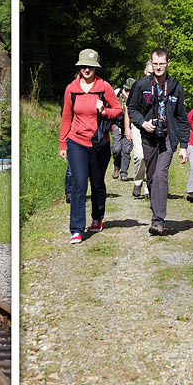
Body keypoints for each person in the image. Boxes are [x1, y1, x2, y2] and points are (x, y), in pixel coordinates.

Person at [58, 49, 123, 243]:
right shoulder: (72, 89)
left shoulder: (104, 87)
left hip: (99, 143)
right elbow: (66, 117)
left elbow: (118, 110)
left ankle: (97, 217)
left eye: (90, 66)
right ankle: (77, 229)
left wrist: (104, 111)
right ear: (79, 67)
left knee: (97, 183)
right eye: (83, 66)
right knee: (78, 184)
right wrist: (63, 143)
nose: (87, 69)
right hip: (76, 142)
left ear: (96, 68)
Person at [127, 49, 189, 235]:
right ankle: (156, 212)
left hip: (168, 139)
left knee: (161, 175)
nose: (159, 67)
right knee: (153, 178)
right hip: (148, 137)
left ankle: (158, 221)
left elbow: (182, 118)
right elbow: (131, 109)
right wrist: (143, 123)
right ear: (151, 64)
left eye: (162, 63)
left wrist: (184, 146)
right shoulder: (141, 85)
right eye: (155, 64)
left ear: (168, 63)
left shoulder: (176, 86)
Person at [130, 64, 151, 199]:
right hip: (138, 125)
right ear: (144, 71)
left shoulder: (163, 86)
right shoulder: (138, 86)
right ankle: (138, 182)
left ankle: (149, 186)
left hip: (154, 127)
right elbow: (130, 108)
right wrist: (127, 128)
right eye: (149, 72)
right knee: (140, 156)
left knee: (151, 158)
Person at [110, 79, 133, 180]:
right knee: (116, 149)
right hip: (117, 124)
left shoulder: (136, 96)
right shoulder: (117, 93)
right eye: (126, 89)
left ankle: (124, 172)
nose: (127, 91)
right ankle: (116, 166)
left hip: (131, 125)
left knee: (126, 150)